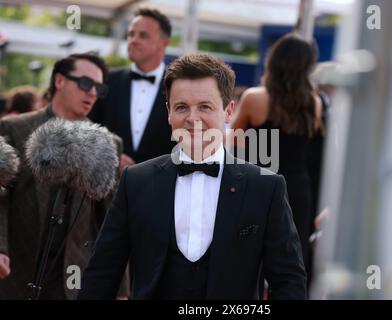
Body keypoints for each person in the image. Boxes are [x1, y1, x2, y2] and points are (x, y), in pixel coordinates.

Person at [78, 53, 306, 300]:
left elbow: (288, 281)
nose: (192, 118)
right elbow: (103, 272)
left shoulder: (265, 187)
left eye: (205, 107)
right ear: (168, 113)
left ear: (228, 111)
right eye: (181, 107)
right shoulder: (136, 181)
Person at [0, 53, 128, 299]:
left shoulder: (108, 144)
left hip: (71, 278)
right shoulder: (14, 128)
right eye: (85, 83)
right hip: (17, 271)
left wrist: (121, 288)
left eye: (98, 87)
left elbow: (111, 220)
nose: (92, 93)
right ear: (59, 81)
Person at [228, 33, 324, 291]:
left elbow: (233, 142)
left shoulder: (255, 98)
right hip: (297, 188)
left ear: (275, 60)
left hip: (261, 182)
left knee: (251, 257)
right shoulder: (314, 103)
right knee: (291, 260)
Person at [88, 7, 175, 170]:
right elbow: (87, 128)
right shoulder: (106, 80)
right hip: (107, 186)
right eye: (131, 34)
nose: (133, 40)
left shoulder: (178, 86)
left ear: (164, 43)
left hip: (159, 188)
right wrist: (108, 155)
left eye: (143, 35)